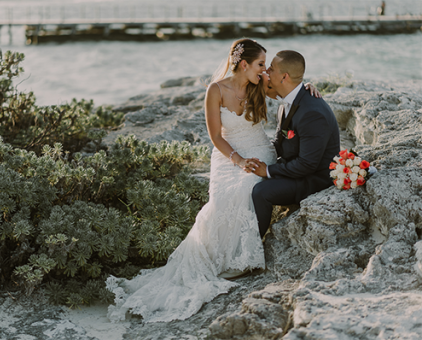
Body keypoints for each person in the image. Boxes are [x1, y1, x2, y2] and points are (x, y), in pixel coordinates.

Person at [106, 39, 322, 323]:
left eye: (266, 67)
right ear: (244, 64)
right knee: (222, 200)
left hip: (259, 151)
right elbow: (216, 136)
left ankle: (244, 258)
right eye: (260, 65)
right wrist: (238, 160)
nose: (264, 71)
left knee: (249, 187)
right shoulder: (215, 90)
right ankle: (218, 258)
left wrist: (308, 87)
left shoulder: (258, 85)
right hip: (227, 155)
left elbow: (287, 87)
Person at [245, 51, 340, 238]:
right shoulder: (288, 100)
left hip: (314, 180)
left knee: (260, 192)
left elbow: (307, 164)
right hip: (296, 168)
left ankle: (255, 245)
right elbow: (279, 142)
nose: (266, 71)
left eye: (271, 68)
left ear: (284, 77)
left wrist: (269, 171)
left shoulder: (311, 112)